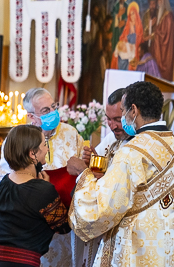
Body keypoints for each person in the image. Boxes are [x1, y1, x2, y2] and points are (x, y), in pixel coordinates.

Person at [67, 81, 174, 267]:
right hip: (169, 242)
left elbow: (102, 209)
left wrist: (83, 173)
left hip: (136, 244)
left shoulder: (131, 153)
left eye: (123, 111)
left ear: (133, 110)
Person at [0, 88, 84, 267]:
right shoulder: (16, 139)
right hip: (30, 227)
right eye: (45, 110)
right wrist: (38, 191)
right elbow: (3, 179)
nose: (53, 112)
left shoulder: (71, 134)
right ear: (31, 117)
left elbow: (82, 173)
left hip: (66, 224)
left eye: (53, 107)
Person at [0, 125, 71, 267]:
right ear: (32, 153)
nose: (47, 149)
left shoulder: (4, 182)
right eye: (44, 145)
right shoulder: (44, 190)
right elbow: (63, 227)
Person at [74, 88, 129, 267]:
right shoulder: (111, 139)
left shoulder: (138, 146)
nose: (112, 126)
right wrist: (90, 161)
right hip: (100, 219)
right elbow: (97, 164)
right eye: (109, 119)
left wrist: (88, 173)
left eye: (118, 120)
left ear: (130, 114)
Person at [111, 2, 143, 71]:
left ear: (136, 14)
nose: (132, 16)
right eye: (130, 14)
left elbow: (140, 40)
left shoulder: (139, 27)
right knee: (119, 56)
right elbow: (122, 37)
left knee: (128, 60)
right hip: (127, 48)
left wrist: (133, 32)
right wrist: (124, 44)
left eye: (133, 13)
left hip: (135, 50)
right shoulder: (128, 26)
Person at [150, 0, 174, 81]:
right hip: (159, 50)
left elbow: (165, 36)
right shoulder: (162, 15)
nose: (158, 2)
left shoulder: (168, 17)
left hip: (165, 51)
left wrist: (156, 33)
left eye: (161, 0)